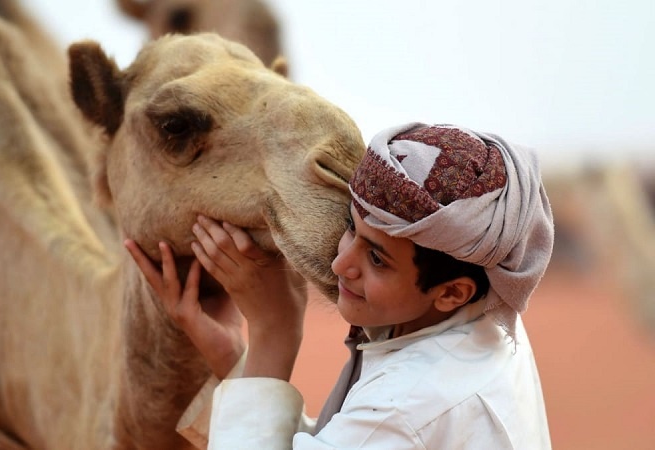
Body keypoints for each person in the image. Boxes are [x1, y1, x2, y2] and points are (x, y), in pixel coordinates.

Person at [125, 122, 555, 449]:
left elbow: (381, 427)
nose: (340, 263)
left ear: (451, 292)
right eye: (352, 228)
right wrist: (234, 359)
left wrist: (274, 329)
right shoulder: (485, 320)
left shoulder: (406, 404)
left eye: (376, 259)